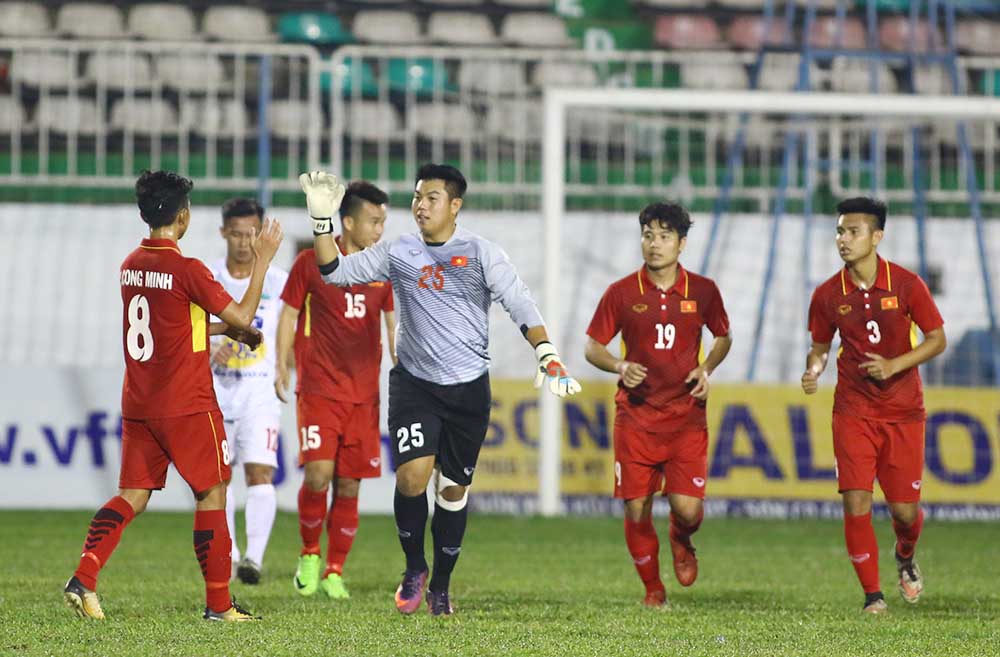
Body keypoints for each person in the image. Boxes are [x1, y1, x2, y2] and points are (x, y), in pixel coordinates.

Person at [298, 164, 581, 616]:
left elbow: (520, 302)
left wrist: (546, 351)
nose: (420, 205)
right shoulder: (396, 251)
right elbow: (334, 272)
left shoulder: (481, 252)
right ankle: (415, 568)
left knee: (452, 491)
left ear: (455, 205)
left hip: (468, 390)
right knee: (412, 476)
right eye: (416, 197)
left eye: (431, 198)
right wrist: (320, 221)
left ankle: (442, 586)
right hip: (415, 384)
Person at [63, 170, 282, 621]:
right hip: (187, 404)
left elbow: (173, 325)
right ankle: (220, 606)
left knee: (132, 496)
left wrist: (230, 332)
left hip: (140, 403)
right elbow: (243, 311)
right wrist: (262, 260)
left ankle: (84, 577)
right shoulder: (187, 269)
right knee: (213, 492)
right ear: (183, 216)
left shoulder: (131, 265)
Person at [802, 197, 946, 614]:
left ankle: (905, 555)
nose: (843, 240)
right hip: (852, 410)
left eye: (853, 232)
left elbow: (938, 339)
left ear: (876, 236)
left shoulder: (906, 284)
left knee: (904, 512)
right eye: (839, 231)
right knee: (855, 500)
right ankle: (873, 596)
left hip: (903, 411)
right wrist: (813, 369)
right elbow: (820, 346)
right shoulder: (828, 293)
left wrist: (895, 365)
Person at [584, 202, 732, 608]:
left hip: (686, 419)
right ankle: (654, 590)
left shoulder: (703, 291)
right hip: (635, 417)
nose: (654, 244)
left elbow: (723, 336)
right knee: (636, 508)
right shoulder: (621, 292)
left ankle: (681, 540)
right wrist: (619, 364)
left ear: (681, 244)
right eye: (648, 235)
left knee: (687, 511)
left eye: (664, 236)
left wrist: (706, 368)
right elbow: (592, 346)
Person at [276, 181, 396, 600]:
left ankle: (334, 570)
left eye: (383, 222)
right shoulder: (311, 262)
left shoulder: (384, 269)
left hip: (364, 397)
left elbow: (393, 325)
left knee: (349, 485)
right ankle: (309, 554)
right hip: (319, 390)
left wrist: (404, 365)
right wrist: (281, 364)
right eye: (373, 221)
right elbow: (289, 314)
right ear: (347, 222)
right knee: (319, 474)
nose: (379, 230)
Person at [208, 197, 289, 585]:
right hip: (214, 396)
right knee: (218, 481)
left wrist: (288, 367)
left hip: (260, 393)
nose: (244, 242)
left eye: (251, 234)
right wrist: (211, 349)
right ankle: (231, 553)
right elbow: (186, 329)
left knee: (260, 474)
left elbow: (292, 332)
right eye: (236, 234)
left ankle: (252, 560)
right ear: (224, 232)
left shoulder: (280, 282)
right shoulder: (207, 280)